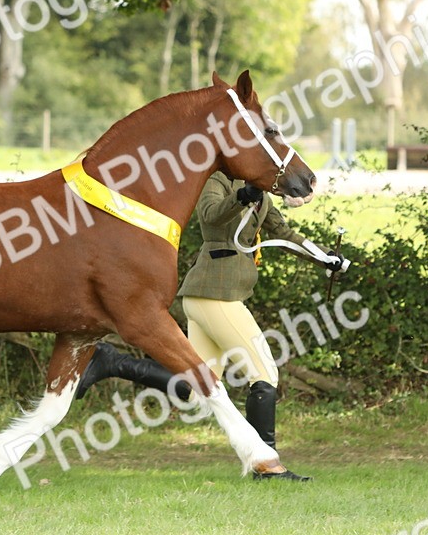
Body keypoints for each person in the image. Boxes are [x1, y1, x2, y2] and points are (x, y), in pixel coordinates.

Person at [76, 172, 347, 481]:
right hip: (216, 295)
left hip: (214, 296)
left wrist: (323, 256)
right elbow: (210, 215)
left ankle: (111, 362)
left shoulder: (262, 194)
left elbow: (283, 234)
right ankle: (267, 468)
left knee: (196, 391)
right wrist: (243, 196)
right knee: (264, 373)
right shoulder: (218, 181)